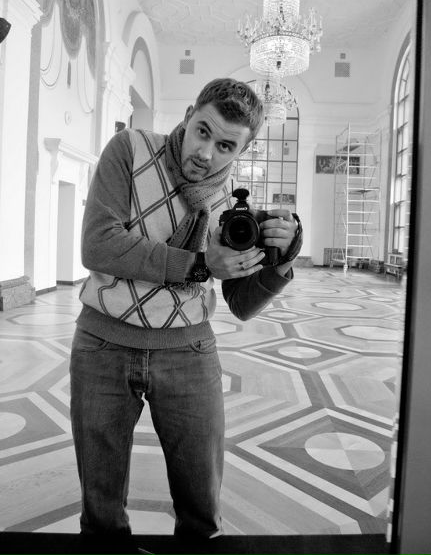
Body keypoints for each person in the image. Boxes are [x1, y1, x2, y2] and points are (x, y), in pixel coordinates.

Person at [70, 78, 301, 552]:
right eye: (202, 131)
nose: (206, 153)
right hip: (101, 346)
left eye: (225, 146)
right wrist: (199, 265)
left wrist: (283, 260)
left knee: (201, 508)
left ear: (242, 150)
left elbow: (241, 303)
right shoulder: (130, 149)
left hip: (188, 350)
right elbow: (98, 244)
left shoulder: (232, 206)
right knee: (100, 510)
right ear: (189, 113)